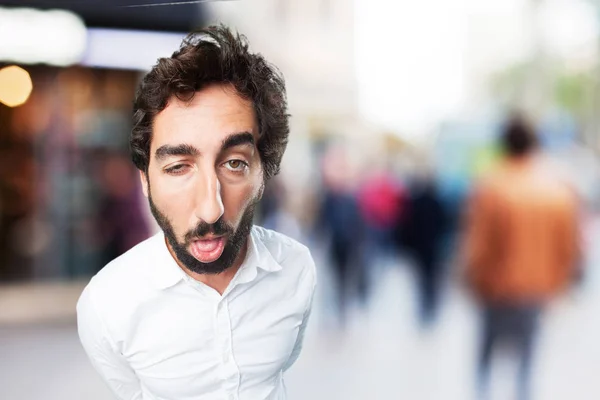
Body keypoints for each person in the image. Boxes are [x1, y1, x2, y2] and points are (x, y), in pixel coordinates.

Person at [77, 25, 317, 400]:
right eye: (178, 167)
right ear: (145, 180)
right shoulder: (107, 304)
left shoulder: (296, 270)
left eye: (235, 163)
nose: (211, 208)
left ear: (264, 172)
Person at [463, 114, 580, 400]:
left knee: (487, 355)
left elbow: (478, 244)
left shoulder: (491, 186)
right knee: (527, 360)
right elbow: (568, 248)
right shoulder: (557, 190)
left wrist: (471, 280)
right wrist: (559, 285)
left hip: (495, 288)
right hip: (536, 289)